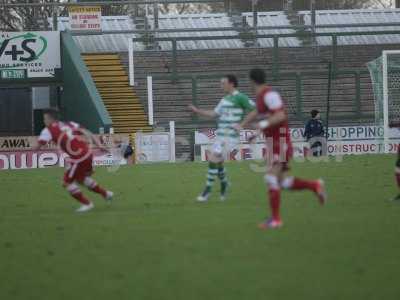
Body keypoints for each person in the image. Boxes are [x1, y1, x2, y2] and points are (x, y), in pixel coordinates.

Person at [235, 69, 327, 230]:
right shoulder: (261, 98)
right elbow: (257, 113)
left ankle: (276, 220)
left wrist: (260, 126)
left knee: (270, 178)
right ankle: (315, 186)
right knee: (283, 182)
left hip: (281, 142)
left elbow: (280, 116)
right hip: (274, 143)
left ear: (251, 81)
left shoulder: (270, 95)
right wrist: (250, 129)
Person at [189, 75, 255, 202]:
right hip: (220, 136)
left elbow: (255, 109)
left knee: (213, 158)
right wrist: (197, 111)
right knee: (217, 162)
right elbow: (214, 113)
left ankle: (206, 191)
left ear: (231, 84)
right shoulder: (224, 99)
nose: (221, 85)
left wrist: (242, 124)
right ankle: (224, 183)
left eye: (223, 83)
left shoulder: (240, 97)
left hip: (230, 137)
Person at [33, 108, 113, 213]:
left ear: (49, 118)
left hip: (78, 158)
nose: (44, 121)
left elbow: (38, 147)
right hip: (87, 153)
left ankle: (87, 204)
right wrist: (99, 145)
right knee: (81, 179)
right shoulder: (70, 123)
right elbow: (88, 132)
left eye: (45, 118)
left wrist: (33, 148)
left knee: (67, 182)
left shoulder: (48, 130)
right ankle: (106, 194)